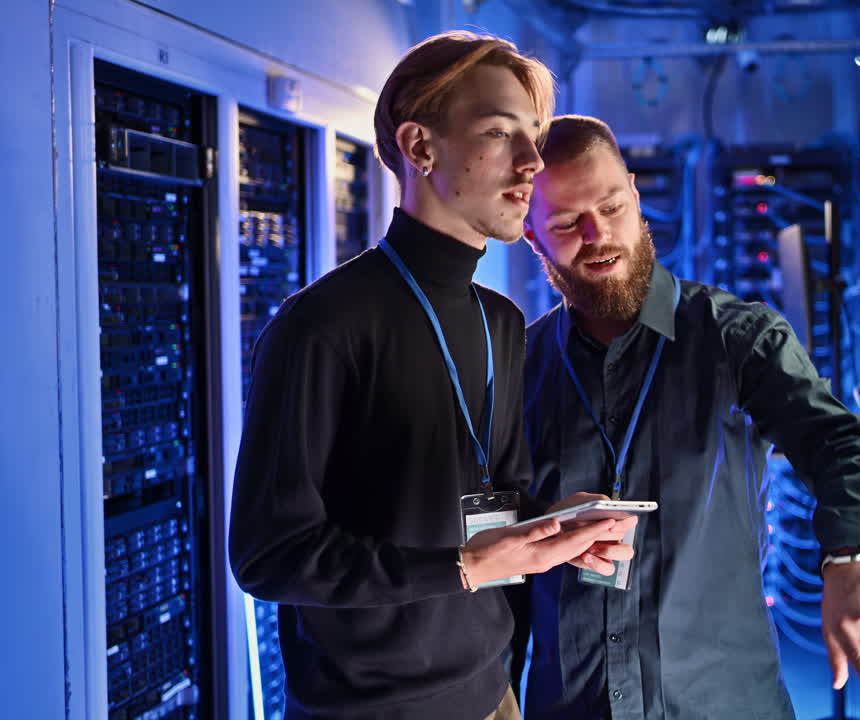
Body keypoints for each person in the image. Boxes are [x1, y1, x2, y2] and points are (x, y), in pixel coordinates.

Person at [229, 35, 633, 720]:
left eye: (532, 136)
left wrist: (559, 526)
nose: (533, 162)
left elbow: (495, 498)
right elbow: (270, 555)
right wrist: (466, 569)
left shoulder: (499, 321)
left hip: (491, 692)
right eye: (500, 134)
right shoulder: (321, 328)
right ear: (420, 148)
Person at [513, 115, 860, 719]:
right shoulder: (521, 365)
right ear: (530, 234)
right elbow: (490, 537)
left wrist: (850, 559)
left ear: (636, 197)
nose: (598, 234)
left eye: (613, 206)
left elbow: (841, 444)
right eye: (567, 222)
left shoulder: (738, 338)